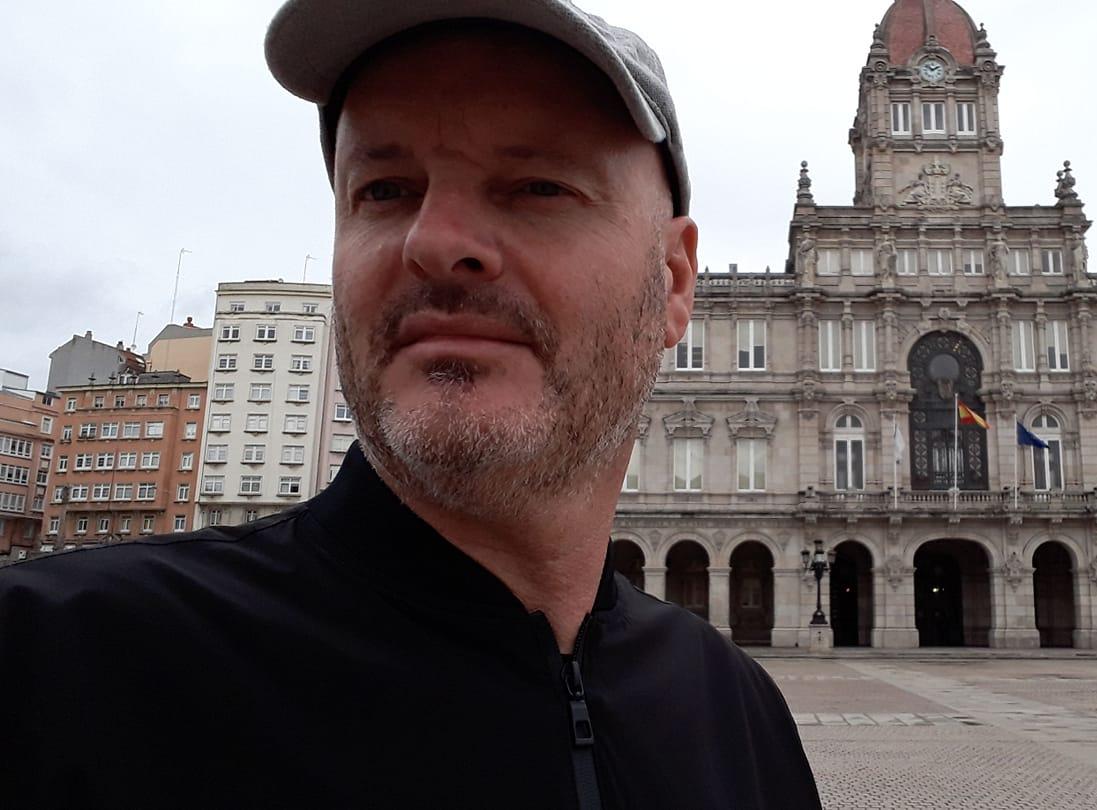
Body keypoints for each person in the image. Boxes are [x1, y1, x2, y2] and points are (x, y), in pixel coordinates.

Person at [0, 2, 821, 808]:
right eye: (385, 189)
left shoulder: (739, 718)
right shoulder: (49, 663)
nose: (434, 240)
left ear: (673, 283)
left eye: (538, 186)